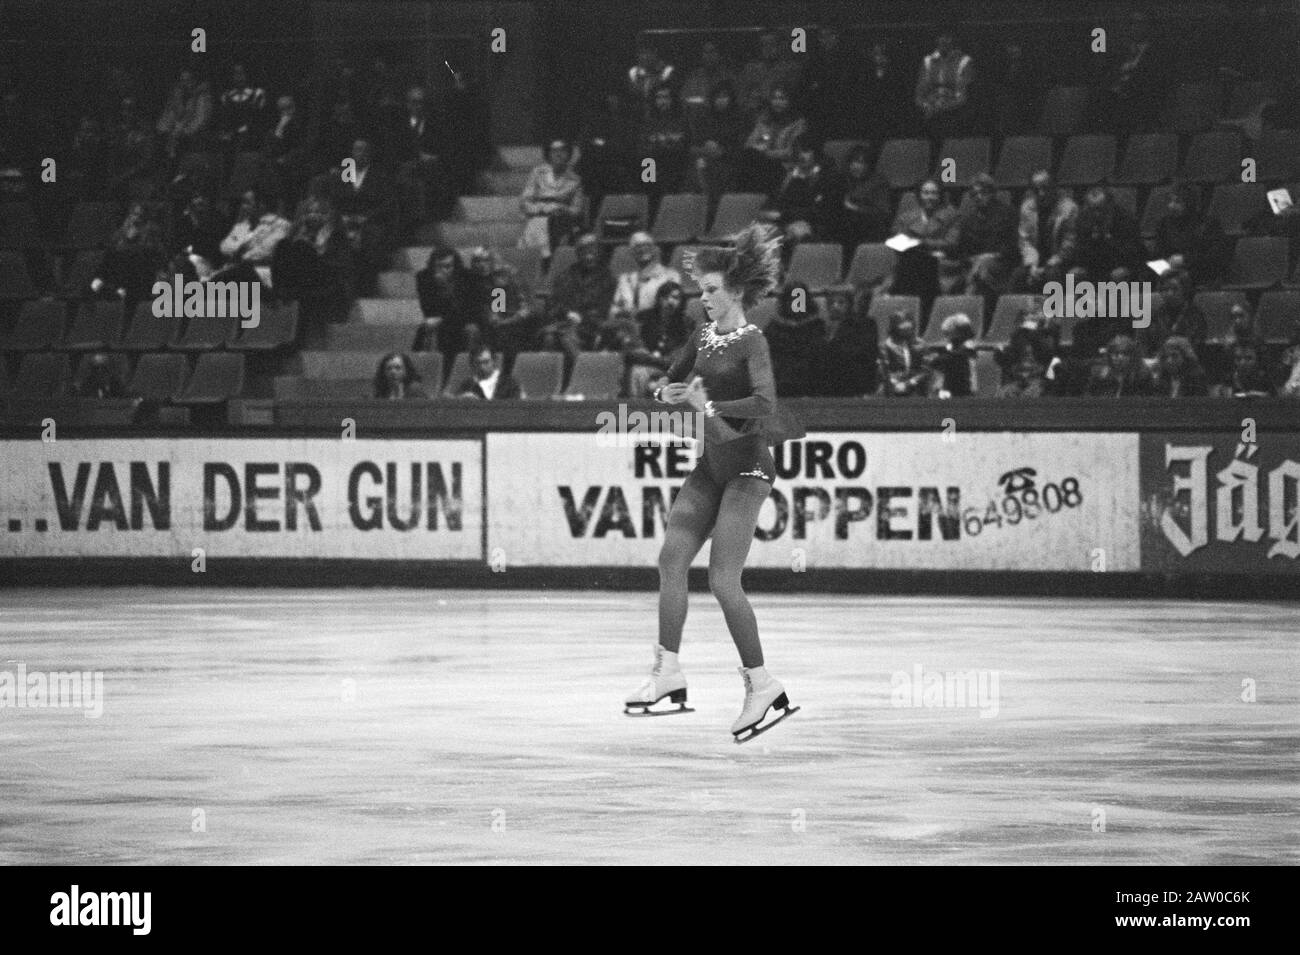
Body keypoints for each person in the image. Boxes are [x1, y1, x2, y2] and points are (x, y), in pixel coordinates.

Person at [625, 224, 804, 742]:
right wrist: (667, 391)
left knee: (723, 579)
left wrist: (706, 404)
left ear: (736, 292)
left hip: (748, 466)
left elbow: (767, 407)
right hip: (711, 463)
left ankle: (762, 684)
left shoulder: (753, 342)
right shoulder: (702, 336)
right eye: (700, 290)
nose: (702, 298)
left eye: (710, 290)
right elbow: (673, 379)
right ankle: (668, 673)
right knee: (670, 560)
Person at [518, 139, 585, 265]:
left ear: (569, 154)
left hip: (562, 221)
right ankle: (541, 261)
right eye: (554, 150)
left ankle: (551, 262)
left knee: (558, 227)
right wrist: (543, 209)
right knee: (538, 225)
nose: (558, 154)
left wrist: (562, 209)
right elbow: (525, 202)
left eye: (563, 150)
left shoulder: (575, 180)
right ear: (548, 154)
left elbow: (577, 210)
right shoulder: (538, 173)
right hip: (538, 217)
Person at [623, 280, 692, 398]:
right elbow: (632, 350)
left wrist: (653, 359)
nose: (670, 301)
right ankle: (635, 411)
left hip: (670, 369)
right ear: (659, 299)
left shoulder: (686, 324)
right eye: (665, 297)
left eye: (675, 298)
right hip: (647, 366)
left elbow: (681, 358)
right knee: (638, 372)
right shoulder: (644, 319)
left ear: (681, 302)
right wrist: (647, 356)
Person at [765, 280, 827, 397]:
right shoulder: (774, 328)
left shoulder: (816, 326)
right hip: (781, 382)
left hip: (810, 380)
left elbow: (818, 355)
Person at [816, 285, 881, 396]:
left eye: (841, 303)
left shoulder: (865, 325)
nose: (835, 306)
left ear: (849, 305)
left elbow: (860, 355)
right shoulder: (819, 326)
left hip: (853, 385)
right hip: (826, 386)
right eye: (831, 302)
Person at [927, 312, 978, 398]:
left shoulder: (969, 347)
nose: (947, 338)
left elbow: (956, 357)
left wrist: (936, 359)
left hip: (965, 389)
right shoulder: (950, 347)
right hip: (950, 388)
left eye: (949, 334)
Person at [881, 310, 930, 396]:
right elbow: (884, 370)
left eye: (909, 328)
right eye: (902, 328)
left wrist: (909, 383)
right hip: (894, 384)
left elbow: (926, 369)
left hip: (916, 383)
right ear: (894, 329)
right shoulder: (887, 345)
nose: (907, 331)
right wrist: (895, 383)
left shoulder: (921, 344)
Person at [452, 345, 523, 400]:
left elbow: (516, 408)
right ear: (472, 365)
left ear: (494, 361)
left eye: (486, 362)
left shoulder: (509, 383)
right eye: (478, 363)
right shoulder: (468, 384)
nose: (482, 366)